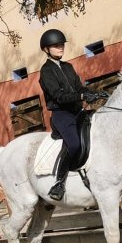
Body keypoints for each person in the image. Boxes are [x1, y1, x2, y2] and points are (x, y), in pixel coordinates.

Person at [38, 28, 107, 201]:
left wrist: (94, 92)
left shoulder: (68, 67)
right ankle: (59, 183)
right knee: (75, 144)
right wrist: (82, 96)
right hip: (62, 114)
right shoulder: (46, 71)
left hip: (77, 111)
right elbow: (59, 96)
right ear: (46, 49)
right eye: (56, 46)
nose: (60, 47)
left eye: (61, 44)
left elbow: (79, 88)